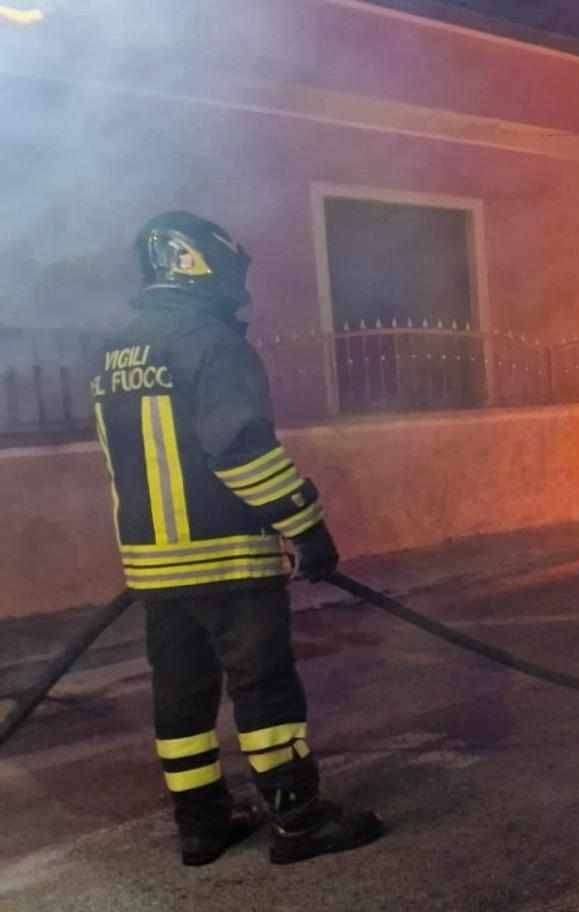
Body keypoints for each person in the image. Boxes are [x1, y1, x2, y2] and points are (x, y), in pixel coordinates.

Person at [91, 211, 382, 866]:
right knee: (264, 687)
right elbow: (240, 449)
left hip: (154, 567)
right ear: (197, 262)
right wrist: (304, 524)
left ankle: (201, 824)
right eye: (230, 270)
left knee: (181, 695)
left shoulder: (117, 350)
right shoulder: (211, 343)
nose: (237, 286)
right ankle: (297, 820)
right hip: (227, 557)